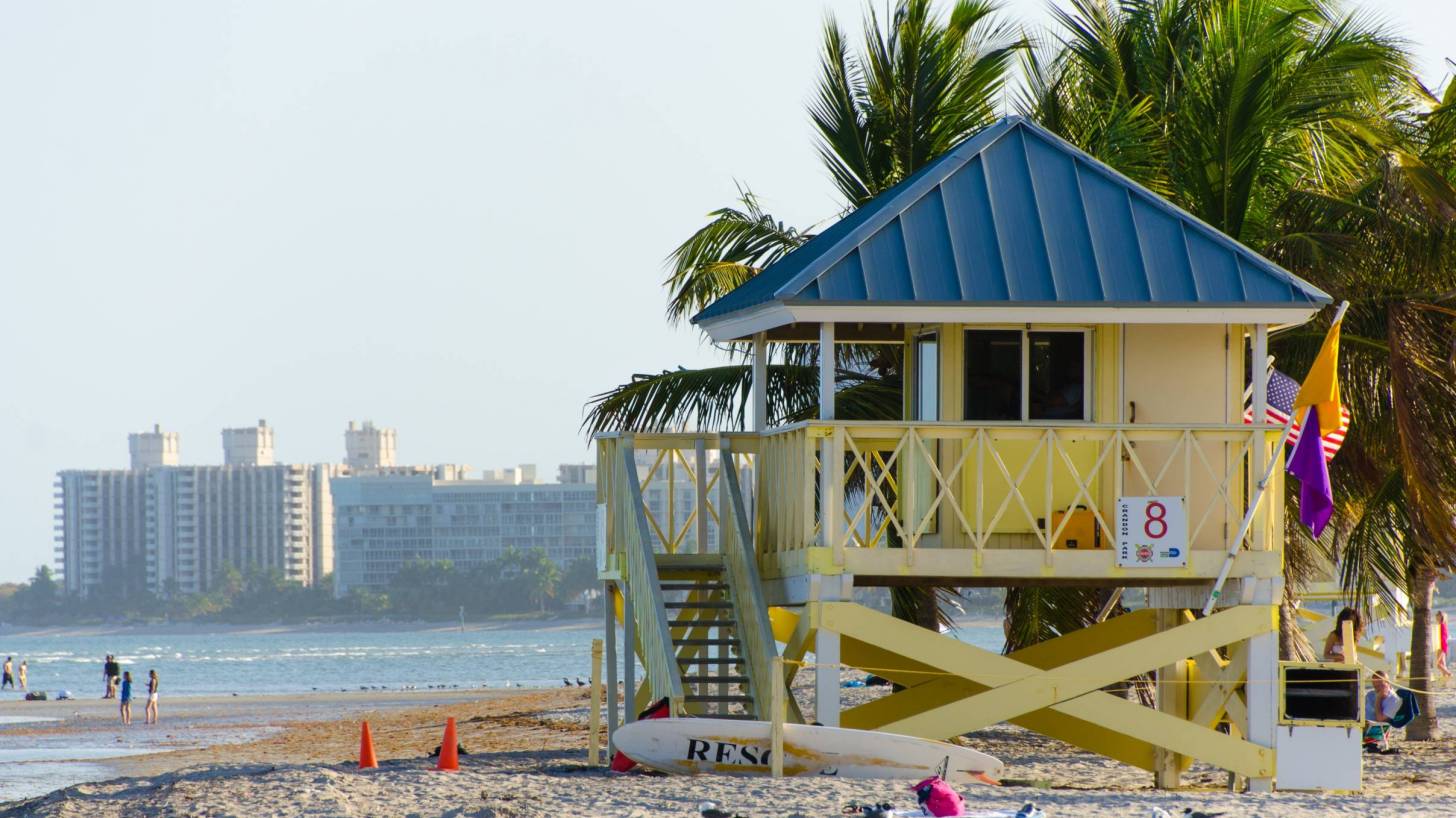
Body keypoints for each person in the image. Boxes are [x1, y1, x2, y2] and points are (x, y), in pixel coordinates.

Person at [1439, 612, 1452, 682]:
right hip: (1444, 646)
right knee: (1443, 663)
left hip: (1442, 646)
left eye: (1437, 617)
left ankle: (1449, 673)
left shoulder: (1441, 625)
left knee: (1438, 664)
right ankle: (1445, 677)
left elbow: (1443, 638)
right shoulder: (1444, 625)